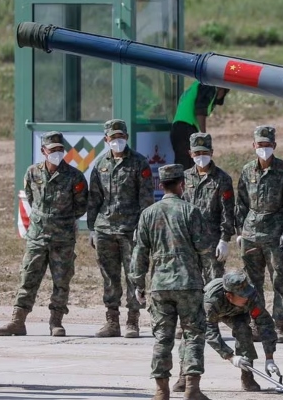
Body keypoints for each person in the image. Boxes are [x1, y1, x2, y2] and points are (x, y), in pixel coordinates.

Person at [129, 164, 212, 400]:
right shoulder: (191, 211)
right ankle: (192, 389)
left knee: (162, 338)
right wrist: (210, 278)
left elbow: (140, 251)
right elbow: (205, 248)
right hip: (188, 284)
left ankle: (161, 390)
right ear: (181, 184)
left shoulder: (148, 213)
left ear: (160, 185)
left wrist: (138, 283)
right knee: (193, 335)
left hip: (160, 285)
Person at [0, 131, 88, 337]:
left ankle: (56, 322)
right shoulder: (32, 173)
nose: (57, 153)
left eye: (60, 149)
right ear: (43, 151)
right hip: (37, 236)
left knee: (61, 280)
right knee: (28, 276)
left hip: (62, 238)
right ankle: (18, 321)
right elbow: (30, 196)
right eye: (52, 150)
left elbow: (81, 206)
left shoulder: (74, 176)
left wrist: (59, 219)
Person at [88, 119, 155, 339]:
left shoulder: (139, 163)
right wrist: (92, 229)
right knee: (109, 277)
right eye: (113, 137)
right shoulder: (99, 165)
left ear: (126, 137)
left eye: (121, 137)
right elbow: (95, 199)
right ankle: (112, 321)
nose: (117, 141)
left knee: (134, 275)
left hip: (130, 229)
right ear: (106, 139)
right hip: (105, 229)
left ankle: (132, 321)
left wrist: (143, 229)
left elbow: (146, 200)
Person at [235, 125, 283, 343]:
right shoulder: (247, 171)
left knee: (279, 279)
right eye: (260, 145)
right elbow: (241, 203)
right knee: (252, 282)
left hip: (275, 233)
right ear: (254, 146)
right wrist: (239, 232)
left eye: (267, 145)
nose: (263, 149)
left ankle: (280, 324)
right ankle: (258, 324)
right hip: (251, 233)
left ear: (274, 146)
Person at [173, 271, 279, 393]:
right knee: (191, 336)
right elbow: (211, 333)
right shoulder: (210, 301)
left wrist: (269, 358)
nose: (247, 297)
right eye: (242, 295)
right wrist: (230, 356)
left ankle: (247, 376)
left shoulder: (251, 296)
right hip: (212, 311)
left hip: (236, 313)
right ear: (229, 295)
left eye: (247, 293)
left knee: (244, 330)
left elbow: (265, 324)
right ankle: (184, 376)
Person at [174, 132, 236, 340]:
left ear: (212, 152)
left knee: (213, 286)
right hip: (188, 241)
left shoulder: (222, 179)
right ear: (190, 153)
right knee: (188, 286)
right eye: (197, 152)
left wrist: (224, 239)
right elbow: (179, 207)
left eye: (205, 152)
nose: (201, 156)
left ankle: (211, 325)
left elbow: (228, 212)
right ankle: (188, 324)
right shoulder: (184, 177)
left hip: (211, 242)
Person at [171, 81, 228, 169]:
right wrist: (203, 135)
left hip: (178, 128)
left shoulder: (198, 84)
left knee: (183, 162)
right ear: (221, 89)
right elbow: (200, 111)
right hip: (186, 128)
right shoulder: (209, 85)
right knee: (187, 165)